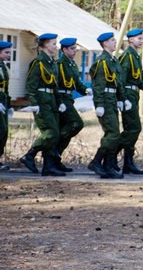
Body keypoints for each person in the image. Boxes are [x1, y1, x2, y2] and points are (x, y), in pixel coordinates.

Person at [19, 33, 64, 176]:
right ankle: (29, 155)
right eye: (53, 44)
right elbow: (31, 85)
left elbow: (55, 85)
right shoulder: (38, 62)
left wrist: (60, 102)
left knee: (54, 133)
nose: (55, 46)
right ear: (45, 44)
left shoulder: (52, 62)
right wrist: (34, 103)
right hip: (42, 100)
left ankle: (48, 166)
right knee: (51, 133)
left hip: (51, 100)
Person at [87, 32, 130, 179]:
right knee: (113, 134)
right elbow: (98, 85)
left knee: (114, 134)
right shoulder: (102, 62)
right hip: (104, 100)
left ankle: (108, 165)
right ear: (105, 43)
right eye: (112, 40)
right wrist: (99, 104)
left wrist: (122, 99)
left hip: (112, 99)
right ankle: (97, 161)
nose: (114, 42)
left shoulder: (113, 61)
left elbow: (118, 83)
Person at [118, 28, 143, 175]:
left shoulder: (135, 56)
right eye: (139, 38)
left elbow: (138, 77)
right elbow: (121, 79)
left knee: (133, 129)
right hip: (128, 94)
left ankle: (128, 162)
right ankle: (109, 154)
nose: (141, 41)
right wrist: (123, 99)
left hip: (134, 94)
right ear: (130, 40)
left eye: (142, 38)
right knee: (133, 128)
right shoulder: (127, 56)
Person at [55, 37, 91, 172]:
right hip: (62, 98)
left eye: (76, 48)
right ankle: (54, 148)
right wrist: (58, 101)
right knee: (76, 123)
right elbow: (55, 84)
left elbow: (76, 82)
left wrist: (85, 90)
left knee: (67, 127)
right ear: (64, 50)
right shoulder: (59, 64)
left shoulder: (72, 64)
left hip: (69, 98)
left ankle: (56, 156)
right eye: (72, 49)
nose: (75, 51)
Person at [0, 41, 13, 171]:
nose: (9, 55)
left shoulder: (3, 66)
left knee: (4, 132)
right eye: (6, 52)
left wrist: (9, 105)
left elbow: (6, 88)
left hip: (3, 100)